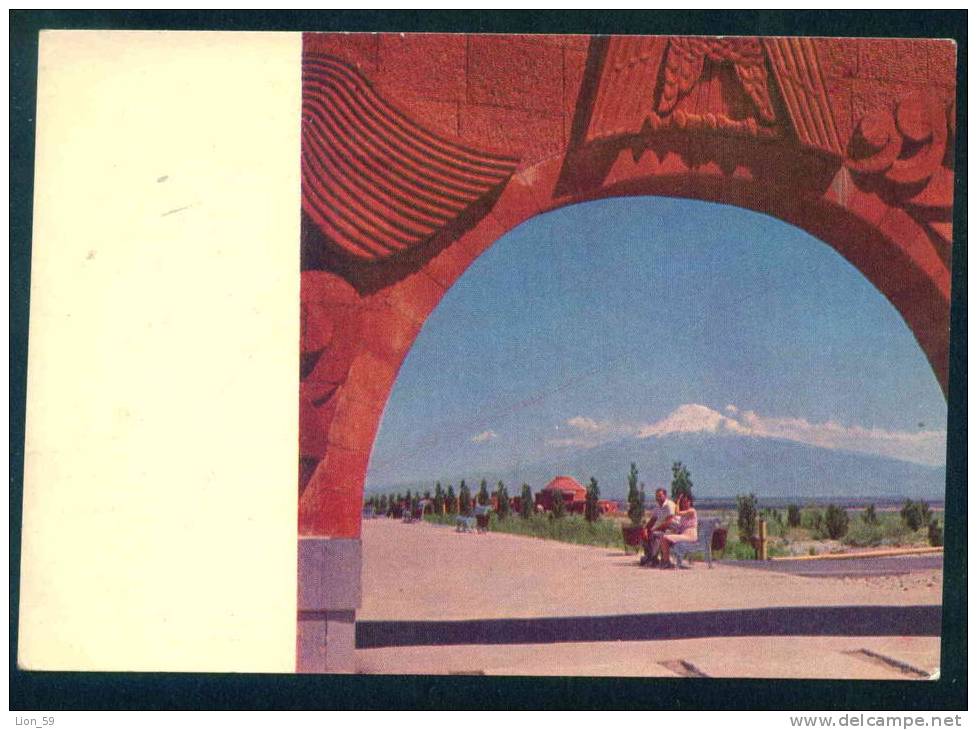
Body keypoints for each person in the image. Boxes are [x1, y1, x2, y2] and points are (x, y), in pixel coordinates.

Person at [639, 488, 677, 567]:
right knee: (645, 534)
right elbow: (652, 521)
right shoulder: (657, 507)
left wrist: (656, 529)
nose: (658, 498)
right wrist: (645, 529)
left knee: (656, 534)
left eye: (660, 496)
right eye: (657, 496)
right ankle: (650, 557)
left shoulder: (669, 505)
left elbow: (669, 521)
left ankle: (653, 558)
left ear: (665, 496)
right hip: (661, 529)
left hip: (671, 529)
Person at [660, 493, 698, 569]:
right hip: (684, 535)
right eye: (683, 502)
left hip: (690, 536)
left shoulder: (692, 511)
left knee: (664, 538)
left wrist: (678, 501)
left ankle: (666, 562)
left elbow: (677, 512)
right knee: (663, 537)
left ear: (690, 502)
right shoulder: (685, 514)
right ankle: (665, 561)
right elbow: (680, 527)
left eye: (686, 501)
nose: (685, 503)